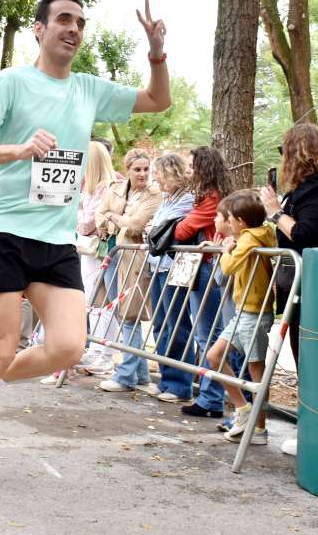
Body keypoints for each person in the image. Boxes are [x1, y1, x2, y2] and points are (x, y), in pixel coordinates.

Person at [0, 0, 170, 500]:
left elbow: (157, 101)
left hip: (57, 239)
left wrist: (156, 53)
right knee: (0, 347)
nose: (74, 28)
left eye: (81, 22)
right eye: (64, 19)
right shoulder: (12, 82)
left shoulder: (89, 89)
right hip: (4, 233)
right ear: (39, 30)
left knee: (68, 346)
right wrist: (18, 149)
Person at [260, 123, 318, 456]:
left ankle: (313, 430)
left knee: (311, 359)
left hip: (313, 287)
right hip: (310, 287)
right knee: (308, 356)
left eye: (285, 152)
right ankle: (315, 426)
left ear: (298, 154)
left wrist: (276, 212)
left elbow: (304, 234)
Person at [205, 190, 276, 445]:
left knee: (256, 369)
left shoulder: (249, 238)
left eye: (231, 219)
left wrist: (225, 250)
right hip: (242, 310)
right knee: (214, 356)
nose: (228, 223)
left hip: (254, 311)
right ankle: (244, 409)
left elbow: (229, 267)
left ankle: (259, 429)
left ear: (241, 222)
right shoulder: (256, 233)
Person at [170, 146, 229, 418]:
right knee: (209, 334)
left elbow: (182, 231)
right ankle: (211, 396)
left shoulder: (211, 197)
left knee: (209, 335)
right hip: (206, 266)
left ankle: (211, 399)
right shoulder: (207, 196)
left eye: (192, 166)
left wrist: (182, 222)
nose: (189, 172)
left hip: (208, 268)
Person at [94, 149, 160, 393]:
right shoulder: (115, 189)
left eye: (146, 169)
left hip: (134, 258)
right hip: (111, 255)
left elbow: (135, 226)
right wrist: (112, 218)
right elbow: (98, 216)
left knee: (130, 314)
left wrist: (113, 217)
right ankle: (141, 375)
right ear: (128, 170)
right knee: (121, 314)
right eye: (137, 169)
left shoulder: (153, 195)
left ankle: (125, 376)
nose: (143, 174)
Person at [144, 153, 197, 403]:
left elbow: (163, 229)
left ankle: (180, 384)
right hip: (157, 265)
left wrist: (153, 231)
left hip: (174, 267)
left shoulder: (187, 199)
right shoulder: (167, 199)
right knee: (161, 324)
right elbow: (155, 229)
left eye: (159, 173)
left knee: (177, 325)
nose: (156, 178)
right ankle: (166, 377)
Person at [64, 140, 117, 379]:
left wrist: (78, 214)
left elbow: (87, 223)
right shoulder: (91, 187)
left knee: (102, 303)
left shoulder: (107, 187)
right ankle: (96, 349)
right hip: (90, 251)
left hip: (100, 251)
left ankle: (104, 353)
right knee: (94, 303)